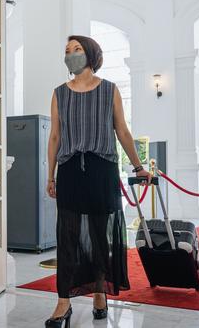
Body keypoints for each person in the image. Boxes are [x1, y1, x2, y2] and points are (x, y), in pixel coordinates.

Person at [45, 35, 152, 327]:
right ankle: (63, 301)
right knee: (66, 237)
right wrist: (50, 174)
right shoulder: (59, 93)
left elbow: (123, 131)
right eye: (67, 51)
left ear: (90, 53)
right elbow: (54, 136)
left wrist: (138, 166)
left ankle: (99, 293)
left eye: (76, 49)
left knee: (99, 236)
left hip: (102, 168)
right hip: (69, 170)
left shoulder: (109, 90)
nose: (71, 54)